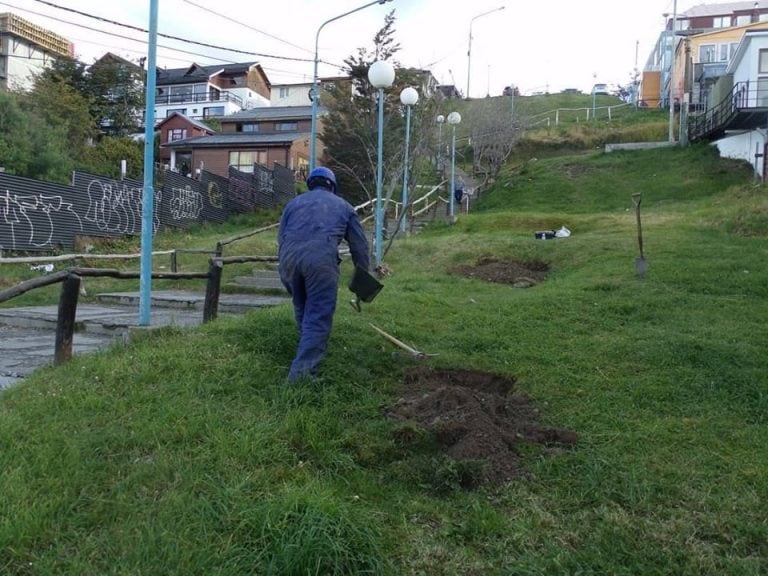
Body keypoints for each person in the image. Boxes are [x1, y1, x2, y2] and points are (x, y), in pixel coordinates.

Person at [278, 166, 370, 382]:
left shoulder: (292, 204)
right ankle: (301, 375)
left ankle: (305, 351)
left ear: (311, 183)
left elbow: (281, 237)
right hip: (319, 260)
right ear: (332, 185)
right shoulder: (344, 206)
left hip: (288, 259)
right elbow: (359, 247)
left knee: (302, 306)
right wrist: (363, 276)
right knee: (318, 314)